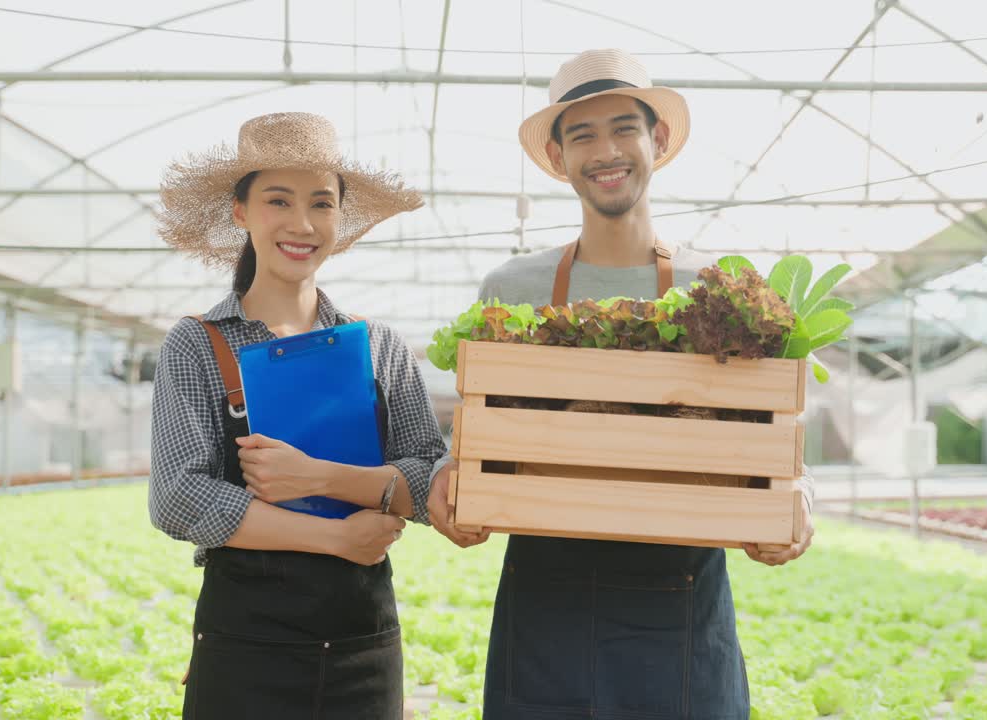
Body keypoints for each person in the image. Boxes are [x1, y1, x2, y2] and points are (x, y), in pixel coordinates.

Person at [426, 50, 816, 719]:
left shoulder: (718, 287)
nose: (605, 151)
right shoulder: (510, 288)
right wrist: (447, 476)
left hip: (680, 592)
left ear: (656, 141)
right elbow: (483, 432)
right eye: (582, 135)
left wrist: (797, 494)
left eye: (622, 129)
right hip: (544, 591)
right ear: (558, 157)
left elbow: (768, 438)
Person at [148, 112, 445, 719]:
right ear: (241, 212)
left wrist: (320, 479)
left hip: (363, 639)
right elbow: (177, 498)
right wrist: (337, 536)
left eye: (322, 204)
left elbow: (429, 477)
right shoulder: (198, 343)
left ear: (341, 216)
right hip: (245, 643)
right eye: (277, 200)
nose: (302, 224)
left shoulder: (379, 346)